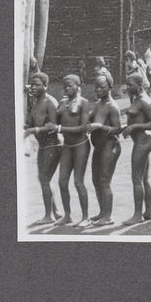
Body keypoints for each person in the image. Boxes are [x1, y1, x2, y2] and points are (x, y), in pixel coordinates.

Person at [23, 72, 62, 224]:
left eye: (37, 84)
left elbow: (53, 127)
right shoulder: (35, 101)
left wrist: (33, 131)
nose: (33, 87)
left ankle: (48, 216)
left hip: (54, 144)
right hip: (44, 145)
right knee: (44, 178)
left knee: (45, 178)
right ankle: (56, 212)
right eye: (32, 84)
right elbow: (32, 123)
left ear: (45, 86)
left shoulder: (50, 102)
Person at [121, 73, 151, 224]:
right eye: (127, 84)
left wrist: (134, 127)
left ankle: (137, 215)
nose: (128, 87)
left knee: (136, 178)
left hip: (143, 141)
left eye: (130, 85)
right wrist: (126, 127)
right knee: (144, 178)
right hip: (142, 140)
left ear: (140, 85)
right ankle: (149, 211)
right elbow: (137, 118)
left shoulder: (144, 101)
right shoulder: (137, 98)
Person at [54, 74, 92, 227]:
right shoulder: (62, 103)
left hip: (80, 145)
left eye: (70, 85)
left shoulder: (84, 102)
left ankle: (85, 217)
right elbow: (54, 122)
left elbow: (83, 127)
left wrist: (60, 128)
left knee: (78, 182)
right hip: (67, 147)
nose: (66, 88)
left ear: (78, 86)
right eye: (65, 86)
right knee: (62, 181)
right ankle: (67, 215)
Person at [85, 73, 121, 226]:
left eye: (102, 87)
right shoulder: (99, 104)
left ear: (110, 87)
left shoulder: (112, 106)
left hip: (110, 146)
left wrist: (100, 126)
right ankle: (102, 212)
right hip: (99, 147)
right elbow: (89, 118)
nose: (98, 90)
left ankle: (108, 216)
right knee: (95, 180)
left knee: (104, 181)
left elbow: (118, 129)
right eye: (96, 87)